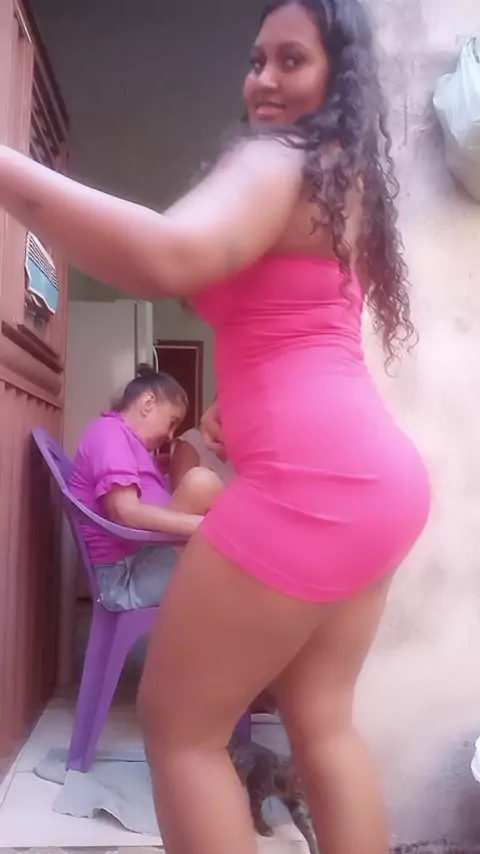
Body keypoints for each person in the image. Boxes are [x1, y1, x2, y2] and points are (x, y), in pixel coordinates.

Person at [0, 1, 431, 851]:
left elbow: (166, 255)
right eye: (256, 59)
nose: (263, 79)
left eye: (291, 60)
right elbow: (304, 328)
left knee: (180, 732)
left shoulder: (281, 159)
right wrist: (243, 401)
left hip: (313, 487)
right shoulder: (342, 182)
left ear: (338, 75)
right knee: (323, 724)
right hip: (380, 485)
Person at [69, 366, 223, 611]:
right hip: (125, 579)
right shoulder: (110, 433)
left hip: (139, 560)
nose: (171, 435)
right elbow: (124, 511)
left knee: (202, 488)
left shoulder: (122, 440)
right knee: (201, 482)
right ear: (148, 403)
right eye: (172, 422)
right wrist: (206, 528)